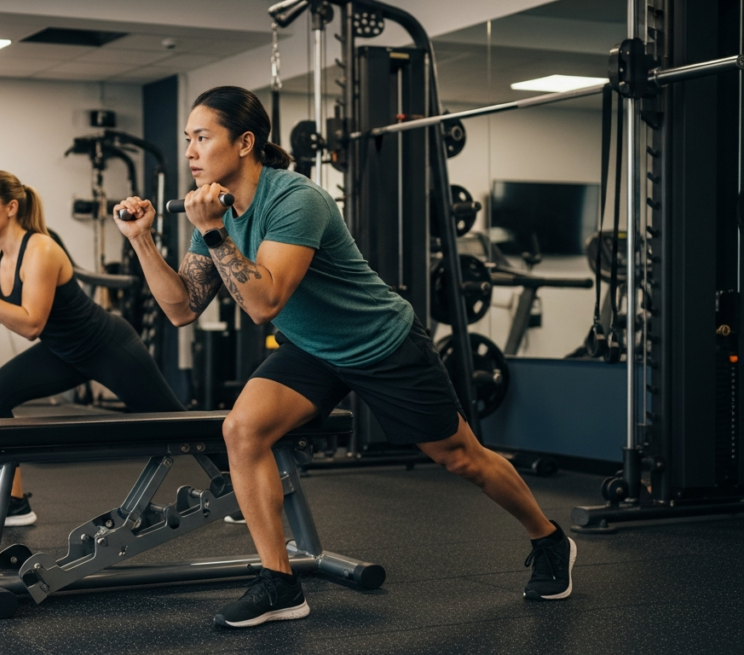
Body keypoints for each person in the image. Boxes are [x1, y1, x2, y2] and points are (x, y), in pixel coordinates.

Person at [113, 87, 575, 629]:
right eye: (187, 139)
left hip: (380, 342)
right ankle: (279, 583)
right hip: (312, 349)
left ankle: (549, 539)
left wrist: (214, 231)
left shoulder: (293, 199)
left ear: (244, 143)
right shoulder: (214, 210)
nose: (190, 150)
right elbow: (182, 308)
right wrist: (142, 240)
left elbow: (264, 303)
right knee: (242, 429)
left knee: (460, 457)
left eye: (201, 137)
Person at [0, 170, 184, 529]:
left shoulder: (42, 249)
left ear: (11, 207)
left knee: (177, 424)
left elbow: (31, 325)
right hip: (64, 354)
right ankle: (13, 503)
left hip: (107, 346)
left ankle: (233, 486)